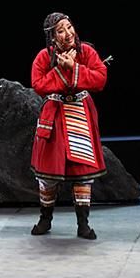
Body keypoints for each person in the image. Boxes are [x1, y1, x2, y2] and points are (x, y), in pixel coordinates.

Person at [30, 12, 108, 240]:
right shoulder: (44, 57)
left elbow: (100, 79)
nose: (68, 33)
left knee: (82, 172)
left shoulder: (87, 53)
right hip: (54, 117)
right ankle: (45, 219)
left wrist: (74, 67)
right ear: (52, 37)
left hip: (79, 115)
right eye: (61, 30)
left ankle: (83, 224)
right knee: (48, 173)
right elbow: (38, 85)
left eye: (69, 27)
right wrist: (60, 69)